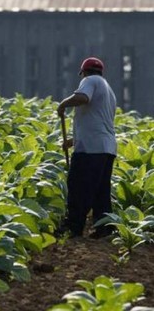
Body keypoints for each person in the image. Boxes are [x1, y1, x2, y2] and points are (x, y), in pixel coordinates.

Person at [57, 57, 117, 239]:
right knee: (100, 191)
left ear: (84, 72)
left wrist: (63, 104)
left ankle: (73, 227)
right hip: (106, 148)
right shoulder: (108, 90)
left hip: (90, 150)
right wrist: (73, 141)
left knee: (77, 186)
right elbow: (97, 121)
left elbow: (82, 97)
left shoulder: (89, 81)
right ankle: (104, 228)